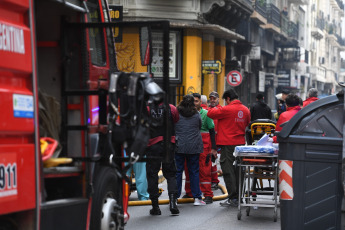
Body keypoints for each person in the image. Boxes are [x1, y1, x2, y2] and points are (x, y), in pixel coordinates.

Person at [207, 89, 251, 207]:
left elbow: (210, 114)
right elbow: (247, 123)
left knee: (228, 170)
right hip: (241, 144)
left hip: (228, 144)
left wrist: (212, 105)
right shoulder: (246, 109)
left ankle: (233, 197)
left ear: (227, 99)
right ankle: (239, 195)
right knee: (239, 170)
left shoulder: (226, 109)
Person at [146, 101, 179, 215]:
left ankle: (155, 207)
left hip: (153, 145)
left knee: (152, 174)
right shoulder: (172, 108)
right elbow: (176, 120)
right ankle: (173, 203)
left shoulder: (147, 109)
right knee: (171, 174)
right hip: (168, 144)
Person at [183, 93, 217, 204]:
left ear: (200, 102)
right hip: (191, 144)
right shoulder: (187, 114)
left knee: (204, 170)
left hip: (204, 145)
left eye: (196, 101)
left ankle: (207, 194)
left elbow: (212, 131)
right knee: (188, 169)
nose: (194, 103)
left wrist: (213, 149)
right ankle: (189, 192)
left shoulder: (206, 114)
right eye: (193, 101)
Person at [175, 94, 206, 206]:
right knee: (194, 171)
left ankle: (174, 197)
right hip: (194, 146)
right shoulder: (196, 114)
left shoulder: (176, 113)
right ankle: (197, 198)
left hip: (179, 146)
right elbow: (199, 126)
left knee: (177, 172)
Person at [208, 91, 221, 189]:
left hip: (218, 140)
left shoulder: (221, 110)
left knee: (213, 162)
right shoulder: (207, 110)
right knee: (210, 161)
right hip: (208, 140)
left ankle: (215, 181)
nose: (212, 100)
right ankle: (211, 180)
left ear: (218, 100)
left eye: (214, 99)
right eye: (211, 98)